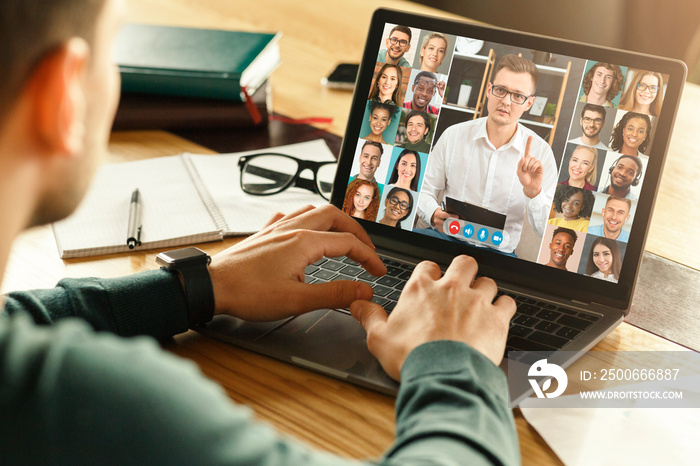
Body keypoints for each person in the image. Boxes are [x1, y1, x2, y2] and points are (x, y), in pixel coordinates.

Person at [0, 0, 521, 463]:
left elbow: (18, 322)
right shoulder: (98, 406)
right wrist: (455, 364)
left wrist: (201, 284)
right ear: (61, 95)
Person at [417, 54, 558, 255]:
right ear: (489, 90)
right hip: (445, 238)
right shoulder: (453, 135)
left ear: (529, 103)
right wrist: (433, 213)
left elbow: (546, 231)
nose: (506, 101)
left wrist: (533, 192)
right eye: (501, 90)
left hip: (498, 253)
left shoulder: (541, 153)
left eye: (518, 96)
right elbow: (423, 188)